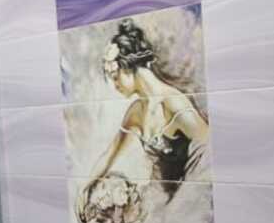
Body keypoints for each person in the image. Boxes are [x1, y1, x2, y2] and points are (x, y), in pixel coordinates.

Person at [77, 18, 209, 212]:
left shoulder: (174, 104)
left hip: (182, 206)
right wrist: (85, 187)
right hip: (156, 201)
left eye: (115, 77)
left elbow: (209, 154)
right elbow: (109, 155)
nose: (115, 85)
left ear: (128, 68)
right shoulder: (136, 111)